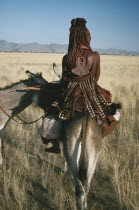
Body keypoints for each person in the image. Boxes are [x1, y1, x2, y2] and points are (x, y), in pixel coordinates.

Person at [43, 18, 120, 153]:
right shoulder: (95, 55)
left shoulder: (67, 57)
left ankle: (55, 144)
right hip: (90, 91)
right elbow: (96, 78)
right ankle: (100, 133)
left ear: (72, 37)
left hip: (70, 95)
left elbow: (65, 80)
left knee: (53, 111)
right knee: (107, 110)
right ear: (87, 36)